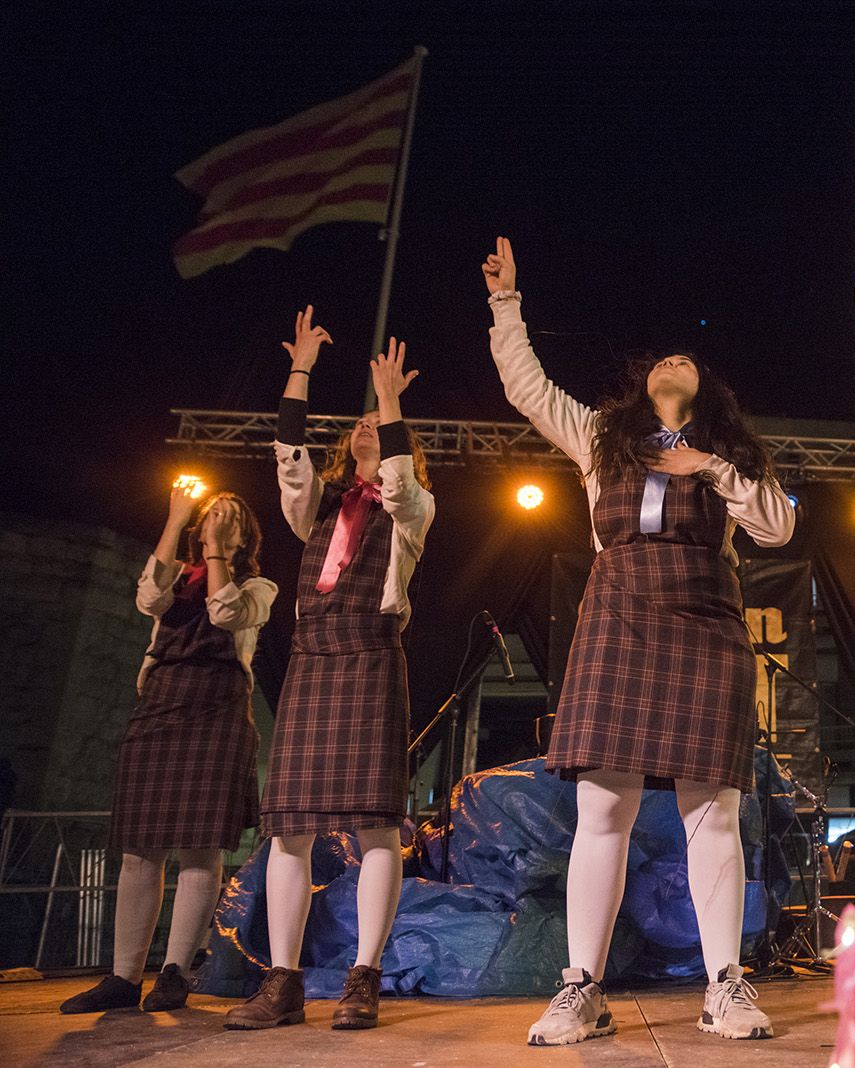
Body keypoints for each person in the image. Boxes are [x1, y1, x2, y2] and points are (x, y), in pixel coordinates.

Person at [482, 237, 795, 1044]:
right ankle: (581, 988)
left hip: (705, 623)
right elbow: (526, 387)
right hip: (617, 616)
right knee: (603, 807)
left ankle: (725, 985)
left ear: (705, 391)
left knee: (713, 811)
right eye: (662, 359)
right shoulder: (599, 437)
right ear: (643, 383)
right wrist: (507, 304)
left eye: (687, 360)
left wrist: (711, 468)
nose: (672, 360)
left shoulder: (728, 457)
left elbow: (778, 526)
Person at [225, 310, 435, 1032]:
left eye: (378, 426)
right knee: (288, 830)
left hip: (371, 659)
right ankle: (283, 982)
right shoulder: (318, 508)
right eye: (360, 424)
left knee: (376, 827)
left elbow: (399, 482)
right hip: (313, 661)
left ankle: (363, 977)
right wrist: (300, 371)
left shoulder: (412, 510)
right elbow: (289, 460)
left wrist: (391, 402)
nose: (366, 428)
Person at [61, 487, 275, 1014]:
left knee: (201, 847)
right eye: (211, 513)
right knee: (139, 849)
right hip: (160, 704)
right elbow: (149, 599)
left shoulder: (257, 586)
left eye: (230, 516)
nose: (218, 519)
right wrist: (177, 518)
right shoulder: (177, 575)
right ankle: (123, 977)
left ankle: (176, 972)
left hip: (217, 709)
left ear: (245, 536)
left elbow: (225, 614)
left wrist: (216, 551)